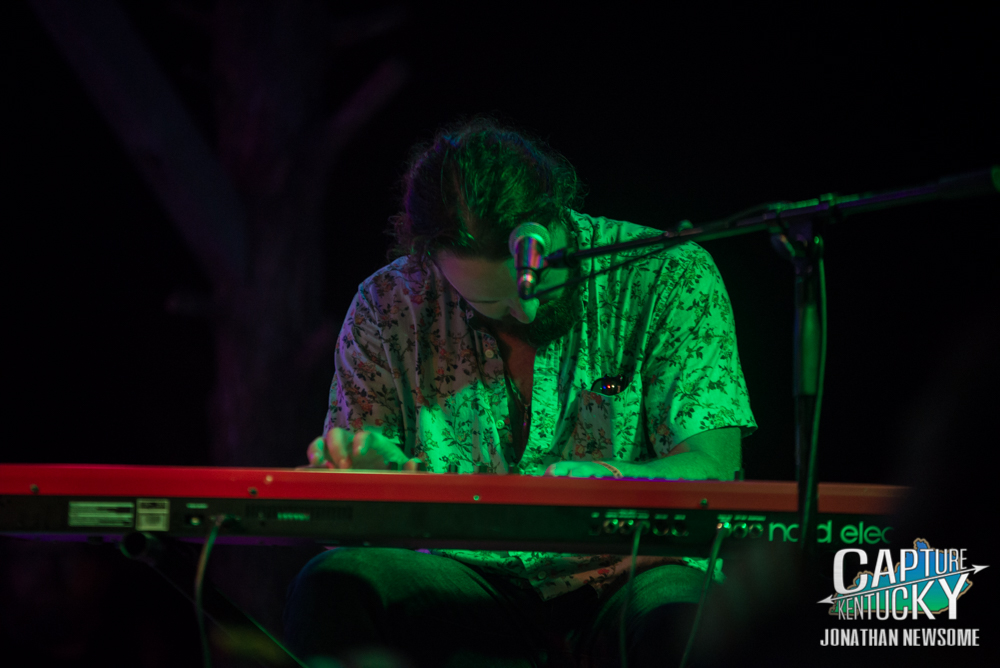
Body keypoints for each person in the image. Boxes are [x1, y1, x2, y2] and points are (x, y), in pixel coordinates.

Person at [284, 118, 756, 667]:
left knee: (683, 618)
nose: (526, 312)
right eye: (494, 302)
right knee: (337, 584)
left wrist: (613, 479)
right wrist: (368, 491)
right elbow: (345, 521)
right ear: (432, 261)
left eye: (536, 282)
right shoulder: (386, 305)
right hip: (463, 579)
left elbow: (715, 470)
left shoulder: (668, 275)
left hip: (632, 576)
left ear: (552, 218)